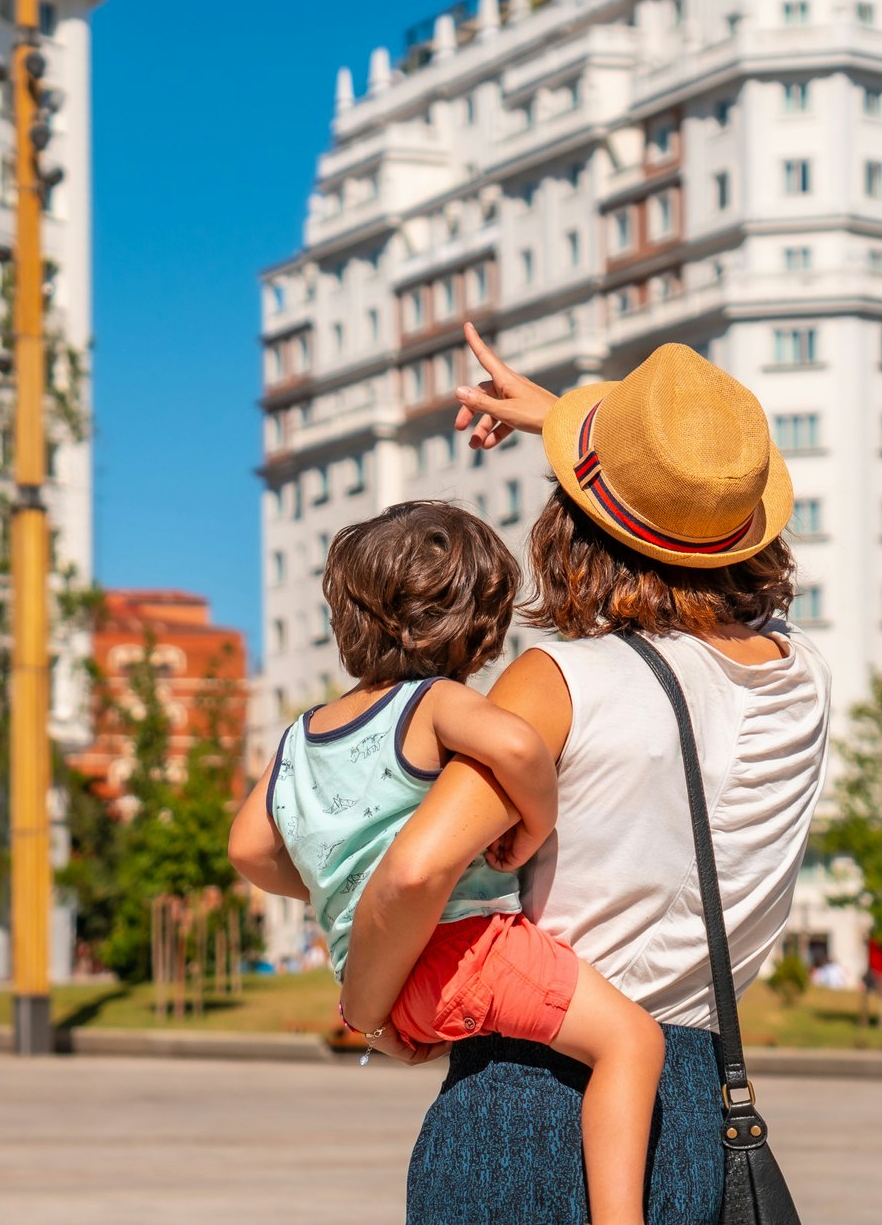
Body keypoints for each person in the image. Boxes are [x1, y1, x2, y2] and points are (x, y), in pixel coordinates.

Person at [334, 333, 831, 1221]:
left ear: (576, 519)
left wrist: (368, 1012)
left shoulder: (559, 682)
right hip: (688, 1105)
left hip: (527, 1102)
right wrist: (568, 423)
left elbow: (413, 871)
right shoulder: (800, 678)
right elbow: (684, 501)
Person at [229, 501, 668, 1224]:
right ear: (482, 626)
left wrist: (333, 878)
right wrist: (534, 824)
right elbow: (521, 748)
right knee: (631, 1043)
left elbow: (248, 850)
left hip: (384, 974)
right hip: (468, 950)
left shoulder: (299, 736)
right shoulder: (431, 704)